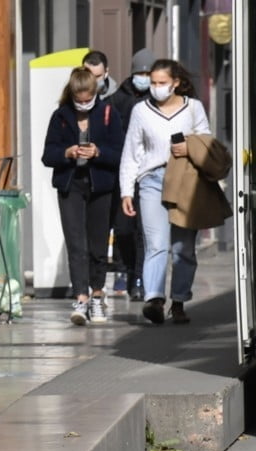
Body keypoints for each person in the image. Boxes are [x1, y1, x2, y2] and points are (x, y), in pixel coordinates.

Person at [119, 58, 211, 324]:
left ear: (176, 83)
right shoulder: (140, 110)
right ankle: (155, 299)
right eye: (153, 83)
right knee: (156, 244)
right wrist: (127, 190)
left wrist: (189, 148)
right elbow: (131, 152)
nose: (156, 88)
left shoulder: (193, 108)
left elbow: (206, 141)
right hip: (151, 180)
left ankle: (179, 302)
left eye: (162, 83)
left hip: (185, 180)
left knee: (183, 247)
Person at [41, 66, 124, 325]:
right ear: (72, 93)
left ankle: (98, 295)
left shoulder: (109, 113)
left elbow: (120, 153)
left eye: (88, 98)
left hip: (100, 186)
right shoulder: (61, 116)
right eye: (79, 99)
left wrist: (98, 153)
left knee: (98, 245)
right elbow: (48, 155)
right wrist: (68, 153)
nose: (84, 103)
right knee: (76, 243)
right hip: (71, 185)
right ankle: (81, 298)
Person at [109, 48, 156, 301]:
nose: (145, 77)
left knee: (143, 230)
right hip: (123, 173)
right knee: (124, 229)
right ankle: (126, 269)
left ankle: (139, 277)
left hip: (147, 174)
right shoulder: (118, 100)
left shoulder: (156, 100)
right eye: (141, 72)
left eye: (149, 72)